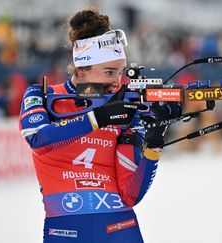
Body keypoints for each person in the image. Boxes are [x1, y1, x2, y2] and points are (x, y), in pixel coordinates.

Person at [18, 7, 180, 243]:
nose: (117, 82)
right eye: (109, 72)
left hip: (120, 228)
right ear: (82, 69)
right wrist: (99, 118)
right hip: (66, 231)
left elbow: (130, 193)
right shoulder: (42, 95)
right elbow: (38, 138)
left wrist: (154, 143)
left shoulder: (125, 110)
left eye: (121, 73)